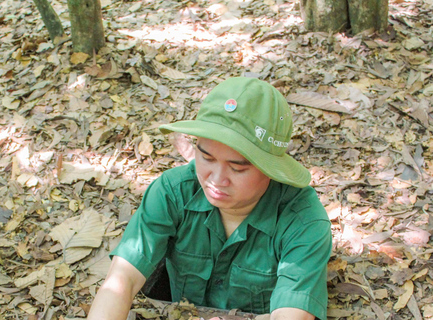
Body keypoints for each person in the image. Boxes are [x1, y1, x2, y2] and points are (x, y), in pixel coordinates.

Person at [87, 77, 332, 320]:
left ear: (271, 168)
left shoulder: (302, 221)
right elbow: (122, 280)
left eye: (237, 168)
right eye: (206, 158)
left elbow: (291, 315)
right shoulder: (172, 193)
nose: (216, 179)